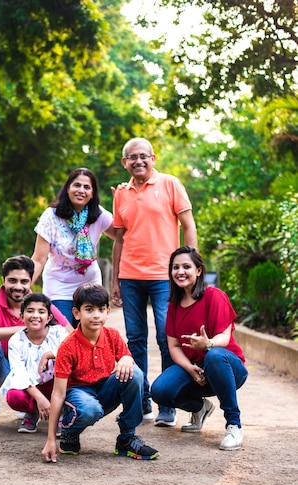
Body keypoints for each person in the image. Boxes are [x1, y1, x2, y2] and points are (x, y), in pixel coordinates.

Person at [111, 137, 198, 426]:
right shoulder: (121, 193)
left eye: (143, 156)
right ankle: (142, 402)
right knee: (135, 341)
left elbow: (188, 225)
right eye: (132, 157)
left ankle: (167, 404)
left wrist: (191, 265)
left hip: (164, 277)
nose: (138, 161)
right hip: (130, 277)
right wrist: (114, 281)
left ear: (153, 157)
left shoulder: (170, 184)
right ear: (125, 162)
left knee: (166, 337)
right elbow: (119, 240)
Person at [41, 283, 159, 463]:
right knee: (90, 409)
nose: (96, 315)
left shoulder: (112, 335)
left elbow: (127, 359)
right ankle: (69, 432)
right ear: (76, 313)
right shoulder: (68, 346)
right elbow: (58, 393)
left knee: (135, 373)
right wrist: (50, 440)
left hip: (105, 389)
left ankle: (127, 438)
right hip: (79, 396)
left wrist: (127, 358)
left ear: (107, 311)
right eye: (89, 309)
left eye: (100, 309)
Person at [151, 246, 248, 451]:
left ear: (199, 270)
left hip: (227, 367)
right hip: (197, 370)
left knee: (213, 356)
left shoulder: (214, 296)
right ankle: (200, 408)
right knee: (160, 391)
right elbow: (174, 345)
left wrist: (208, 344)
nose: (180, 271)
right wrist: (190, 369)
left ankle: (234, 425)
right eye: (175, 267)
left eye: (186, 266)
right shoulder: (174, 305)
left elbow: (224, 336)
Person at [0, 255, 72, 429]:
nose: (18, 286)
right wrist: (25, 330)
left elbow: (71, 336)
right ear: (3, 281)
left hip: (41, 372)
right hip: (7, 370)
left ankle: (34, 407)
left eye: (24, 281)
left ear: (31, 281)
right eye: (12, 281)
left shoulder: (41, 306)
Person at [31, 167, 116, 326]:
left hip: (89, 285)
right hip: (58, 286)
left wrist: (122, 206)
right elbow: (38, 259)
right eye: (77, 185)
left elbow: (122, 236)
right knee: (61, 335)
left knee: (87, 335)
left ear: (92, 194)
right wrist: (24, 286)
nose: (81, 190)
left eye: (87, 187)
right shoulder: (51, 216)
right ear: (68, 189)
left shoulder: (99, 215)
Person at [1, 292, 68, 433]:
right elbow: (19, 373)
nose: (35, 315)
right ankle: (33, 413)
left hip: (55, 384)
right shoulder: (16, 341)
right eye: (30, 311)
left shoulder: (59, 333)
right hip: (32, 387)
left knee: (70, 385)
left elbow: (72, 354)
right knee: (14, 396)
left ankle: (61, 416)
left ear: (49, 317)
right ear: (21, 316)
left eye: (41, 311)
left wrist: (50, 354)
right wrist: (40, 399)